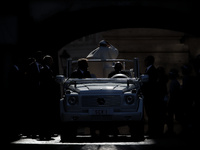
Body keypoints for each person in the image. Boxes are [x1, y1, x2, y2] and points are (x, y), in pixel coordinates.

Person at [141, 55, 159, 137]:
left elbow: (151, 83)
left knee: (151, 113)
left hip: (150, 96)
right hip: (148, 95)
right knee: (149, 113)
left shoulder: (152, 70)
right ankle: (151, 129)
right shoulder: (149, 70)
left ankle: (152, 130)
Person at [167, 68, 181, 136]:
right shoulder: (175, 82)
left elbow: (173, 93)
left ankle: (170, 130)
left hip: (173, 101)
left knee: (170, 117)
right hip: (174, 101)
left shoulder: (173, 82)